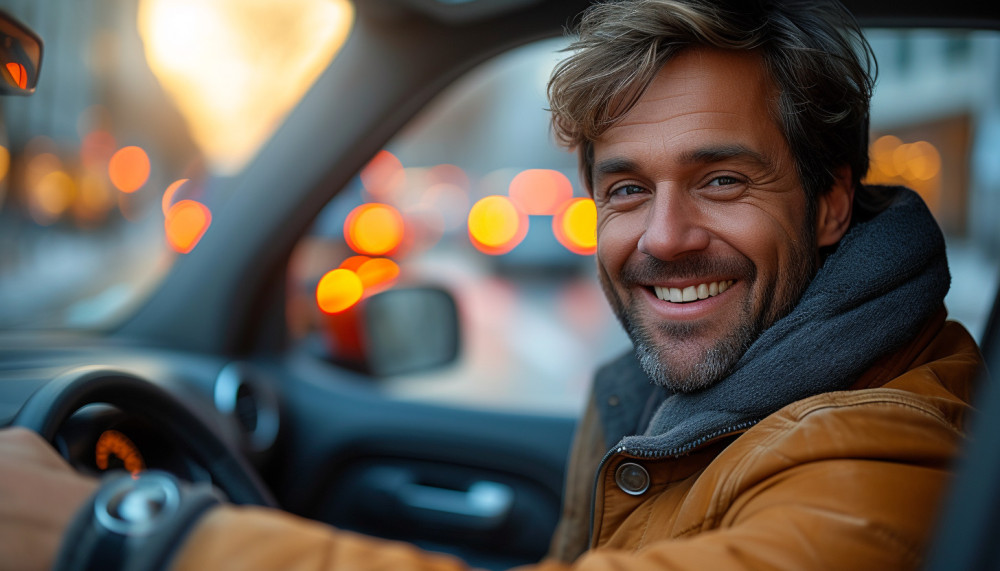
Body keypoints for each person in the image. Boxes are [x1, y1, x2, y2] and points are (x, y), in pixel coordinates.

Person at [0, 0, 986, 569]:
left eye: (723, 179)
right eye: (626, 189)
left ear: (825, 204)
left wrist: (124, 532)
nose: (665, 238)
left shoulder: (878, 445)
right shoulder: (675, 396)